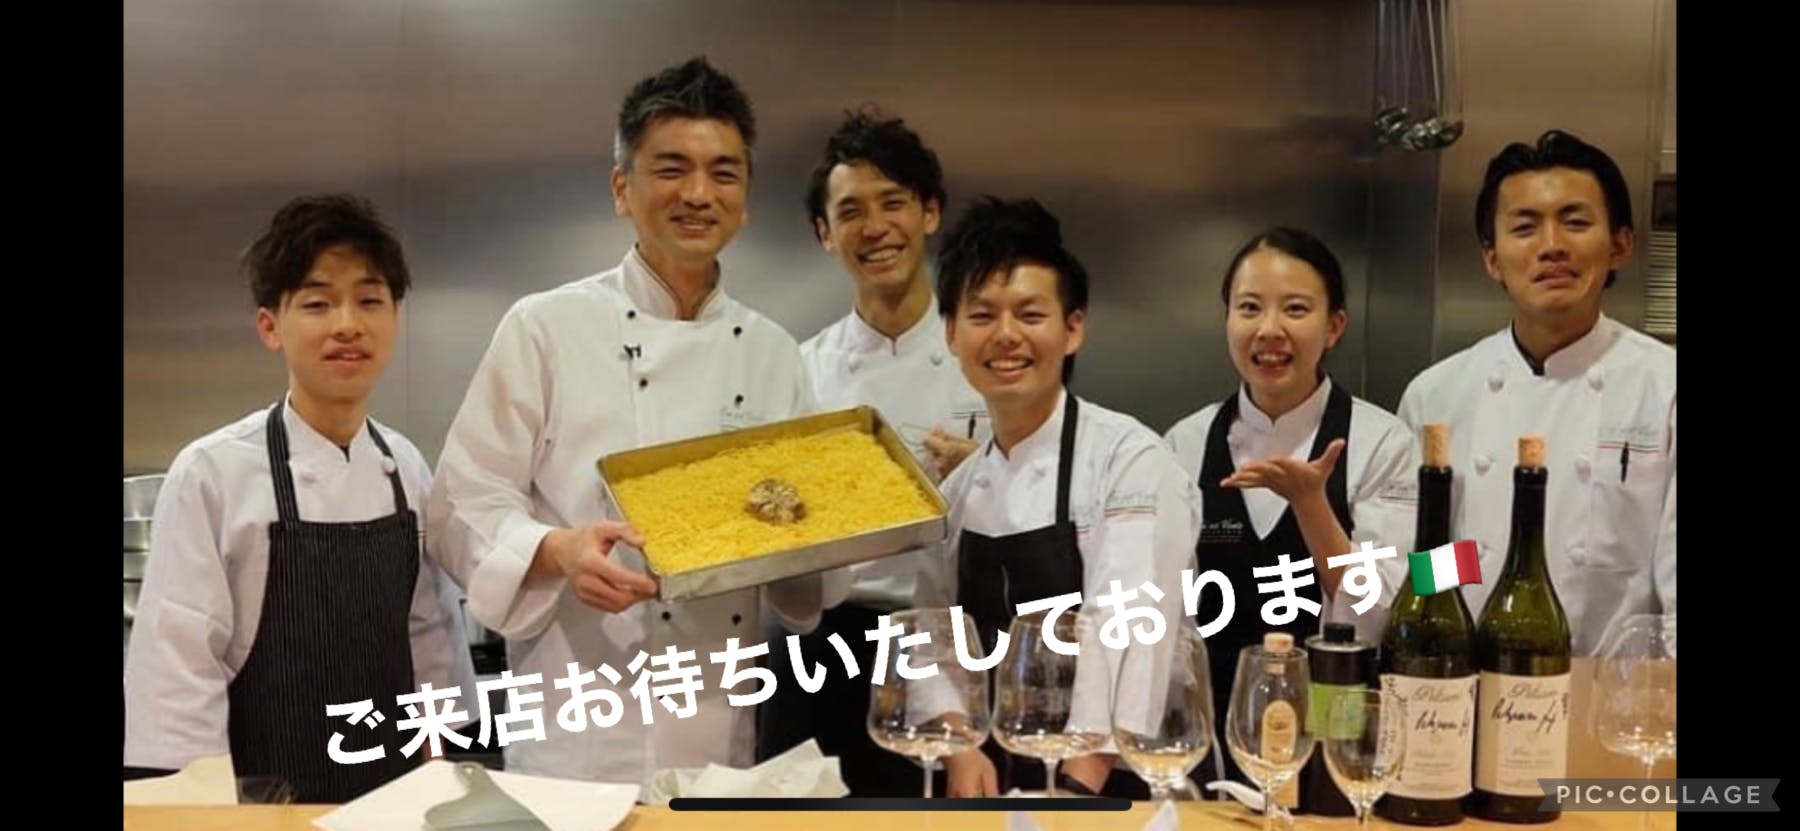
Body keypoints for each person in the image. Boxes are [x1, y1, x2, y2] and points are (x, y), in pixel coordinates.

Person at [425, 56, 844, 790]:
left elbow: (800, 553)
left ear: (745, 197)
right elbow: (460, 502)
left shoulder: (775, 353)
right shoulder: (545, 328)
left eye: (722, 172)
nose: (698, 193)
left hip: (717, 730)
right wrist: (556, 549)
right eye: (671, 168)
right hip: (575, 735)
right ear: (622, 188)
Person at [123, 194, 478, 802]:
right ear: (270, 326)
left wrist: (443, 783)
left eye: (369, 300)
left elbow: (430, 638)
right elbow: (180, 674)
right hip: (263, 803)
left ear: (395, 318)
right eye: (317, 303)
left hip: (394, 801)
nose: (347, 324)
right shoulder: (213, 473)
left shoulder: (405, 467)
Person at [915, 196, 1196, 799]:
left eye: (1030, 314)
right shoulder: (957, 490)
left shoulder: (1129, 460)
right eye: (982, 315)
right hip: (996, 781)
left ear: (1073, 329)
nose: (1006, 336)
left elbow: (1130, 625)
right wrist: (961, 746)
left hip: (1113, 785)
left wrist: (1076, 789)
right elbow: (934, 633)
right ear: (951, 333)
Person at [757, 109, 990, 795]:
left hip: (950, 641)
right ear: (825, 234)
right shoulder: (800, 371)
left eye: (893, 202)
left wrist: (976, 475)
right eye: (850, 211)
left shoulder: (988, 358)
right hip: (820, 646)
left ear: (929, 212)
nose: (875, 227)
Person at [1397, 130, 1676, 656]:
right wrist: (1480, 559)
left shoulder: (1665, 388)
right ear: (1492, 258)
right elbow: (1424, 566)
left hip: (1615, 690)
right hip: (1466, 683)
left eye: (1576, 222)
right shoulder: (1436, 395)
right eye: (1525, 227)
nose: (1552, 246)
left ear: (1620, 245)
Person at [1163, 227, 1418, 788]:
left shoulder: (1384, 443)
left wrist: (1311, 505)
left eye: (1296, 309)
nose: (1269, 329)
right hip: (1213, 747)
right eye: (1249, 308)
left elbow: (1385, 612)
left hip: (1339, 739)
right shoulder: (1184, 443)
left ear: (1335, 326)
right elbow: (1171, 621)